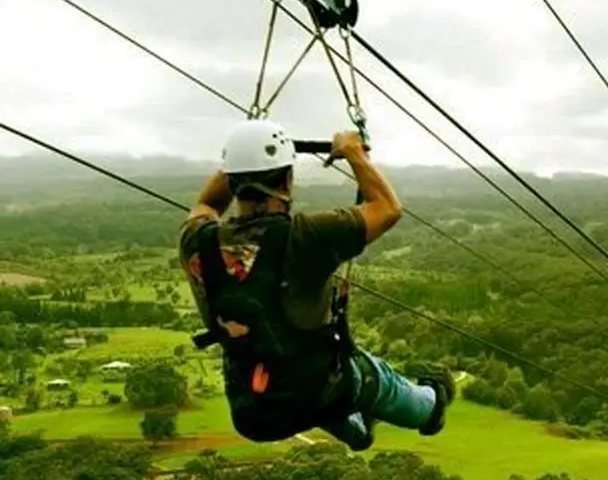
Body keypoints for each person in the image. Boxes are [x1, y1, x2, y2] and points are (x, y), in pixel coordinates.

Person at [176, 118, 454, 451]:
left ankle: (358, 432)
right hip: (319, 390)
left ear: (232, 179)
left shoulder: (196, 241)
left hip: (253, 412)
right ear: (288, 180)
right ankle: (431, 406)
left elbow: (207, 205)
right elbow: (387, 209)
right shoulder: (305, 236)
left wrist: (240, 158)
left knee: (308, 384)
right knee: (375, 378)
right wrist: (354, 153)